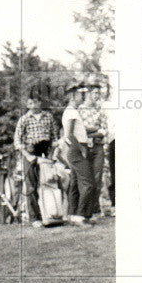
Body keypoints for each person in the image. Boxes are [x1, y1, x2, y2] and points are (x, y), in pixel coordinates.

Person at [13, 92, 60, 227]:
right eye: (30, 103)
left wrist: (53, 154)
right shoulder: (24, 119)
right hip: (31, 153)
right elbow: (17, 141)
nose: (33, 105)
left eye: (36, 102)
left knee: (50, 183)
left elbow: (54, 137)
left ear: (40, 102)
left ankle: (52, 214)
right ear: (27, 104)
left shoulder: (48, 117)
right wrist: (28, 156)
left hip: (46, 152)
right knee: (31, 186)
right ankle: (35, 218)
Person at [61, 84, 95, 225]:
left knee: (75, 184)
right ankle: (81, 215)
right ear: (73, 96)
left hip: (76, 149)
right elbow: (68, 135)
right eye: (81, 94)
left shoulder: (72, 112)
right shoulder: (71, 112)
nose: (84, 97)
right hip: (77, 150)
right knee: (89, 183)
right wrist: (81, 148)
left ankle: (73, 214)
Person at [78, 84, 108, 216]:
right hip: (85, 147)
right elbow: (80, 130)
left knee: (97, 177)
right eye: (94, 93)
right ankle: (84, 209)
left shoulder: (100, 110)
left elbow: (104, 131)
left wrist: (92, 132)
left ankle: (94, 209)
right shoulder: (81, 110)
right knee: (86, 178)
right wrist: (96, 130)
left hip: (98, 147)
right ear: (88, 94)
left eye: (98, 93)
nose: (96, 96)